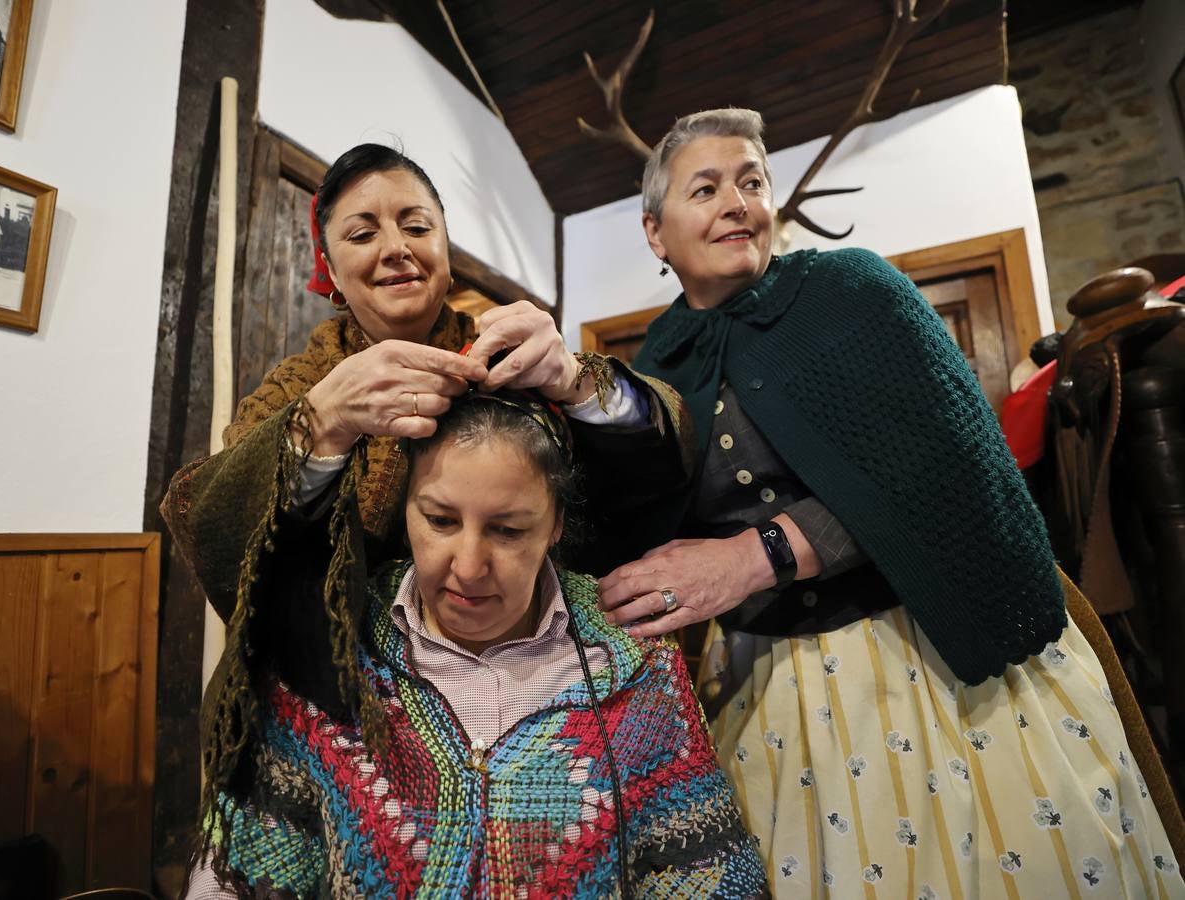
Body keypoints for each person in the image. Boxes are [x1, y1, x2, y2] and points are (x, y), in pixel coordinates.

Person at [598, 108, 1184, 897]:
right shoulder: (662, 361)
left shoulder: (853, 289)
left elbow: (948, 466)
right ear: (654, 231)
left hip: (932, 657)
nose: (737, 202)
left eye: (752, 182)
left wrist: (749, 558)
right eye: (705, 188)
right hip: (770, 689)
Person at [162, 144, 692, 893]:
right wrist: (325, 423)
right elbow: (218, 531)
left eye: (416, 224)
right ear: (331, 271)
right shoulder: (294, 396)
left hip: (528, 703)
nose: (394, 248)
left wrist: (575, 382)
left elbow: (657, 466)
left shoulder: (514, 360)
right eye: (362, 233)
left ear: (446, 246)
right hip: (339, 716)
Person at [180, 391, 768, 898]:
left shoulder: (639, 673)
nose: (468, 566)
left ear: (557, 524)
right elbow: (238, 874)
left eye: (508, 530)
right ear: (404, 507)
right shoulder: (333, 658)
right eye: (438, 520)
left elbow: (710, 876)